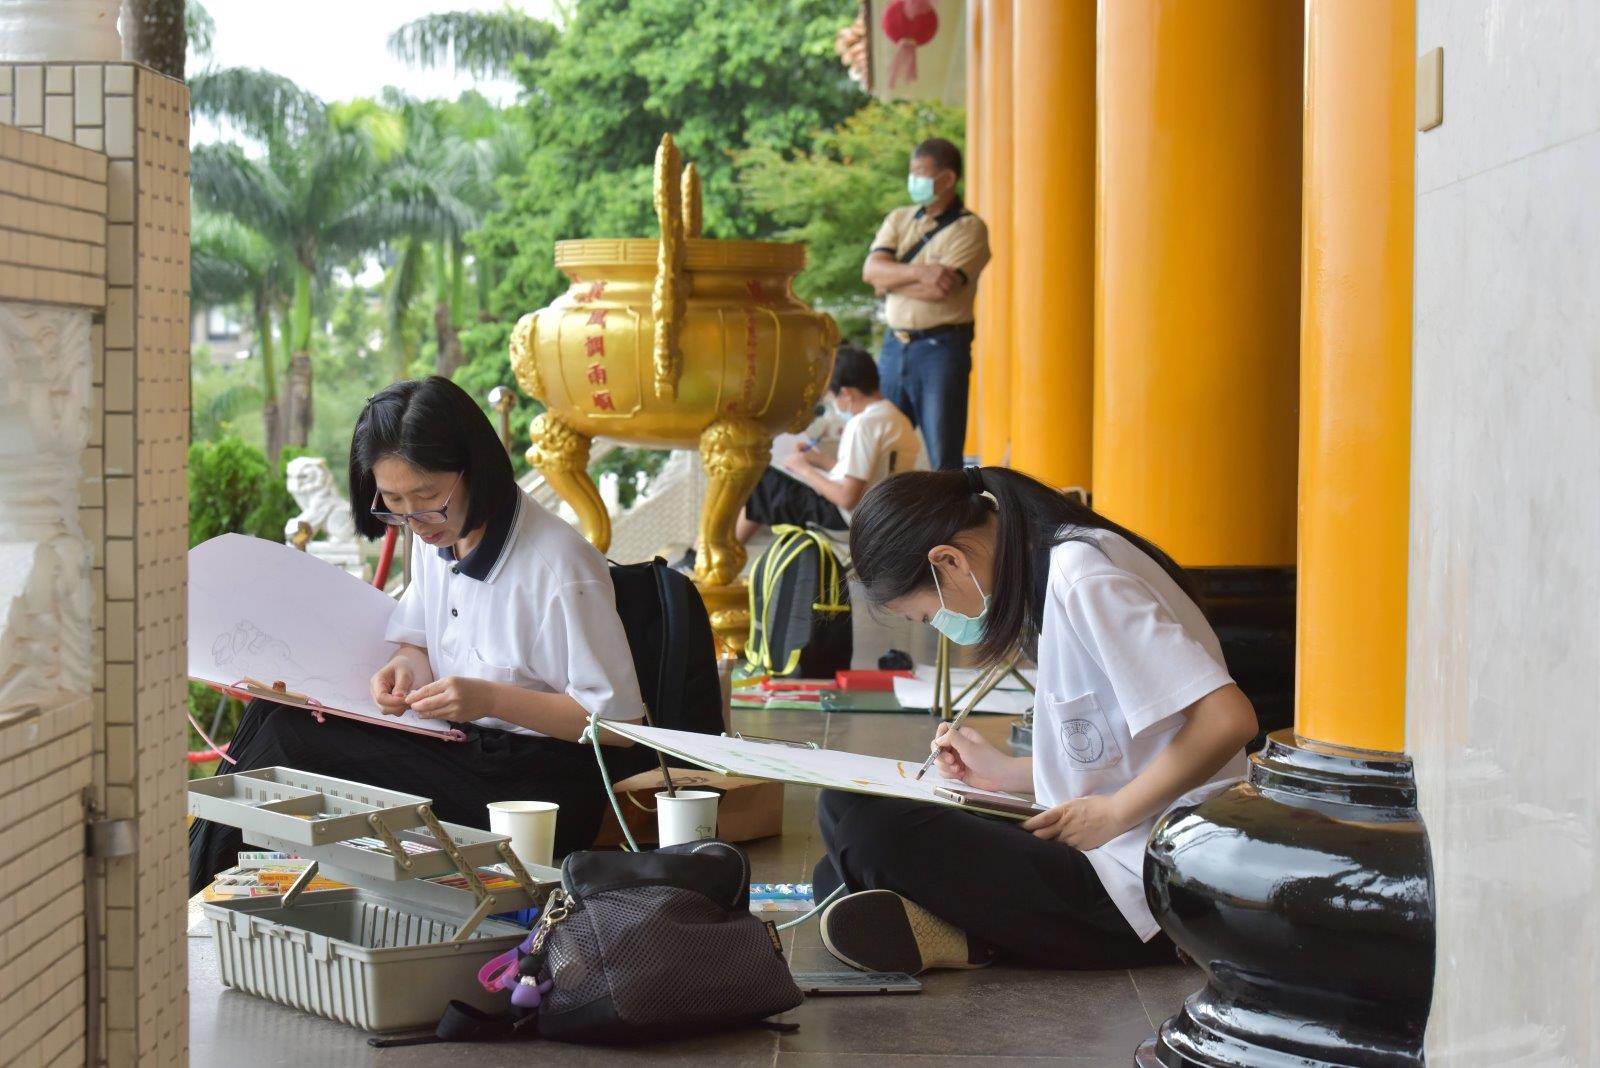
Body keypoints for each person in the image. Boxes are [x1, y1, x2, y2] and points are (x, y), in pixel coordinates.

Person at [189, 376, 651, 894]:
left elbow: (619, 726)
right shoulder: (440, 536)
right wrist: (406, 667)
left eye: (428, 497)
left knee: (287, 742)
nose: (414, 521)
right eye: (393, 502)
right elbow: (418, 640)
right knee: (273, 712)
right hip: (461, 746)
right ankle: (198, 887)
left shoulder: (558, 567)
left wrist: (490, 699)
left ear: (475, 470)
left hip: (538, 785)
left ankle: (187, 895)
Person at [811, 466, 1258, 973]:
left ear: (949, 560)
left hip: (1143, 876)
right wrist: (1003, 774)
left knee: (871, 838)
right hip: (1093, 837)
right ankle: (955, 929)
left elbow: (1228, 719)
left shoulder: (1084, 578)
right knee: (842, 805)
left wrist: (1115, 813)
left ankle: (964, 932)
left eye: (927, 615)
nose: (941, 626)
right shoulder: (1050, 571)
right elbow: (1118, 748)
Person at [863, 138, 990, 471]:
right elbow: (871, 271)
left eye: (920, 172)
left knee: (943, 452)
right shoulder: (899, 218)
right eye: (912, 172)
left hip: (941, 349)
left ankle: (950, 507)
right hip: (894, 346)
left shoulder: (970, 228)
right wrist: (923, 272)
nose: (913, 180)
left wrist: (891, 280)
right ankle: (890, 507)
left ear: (947, 179)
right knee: (882, 446)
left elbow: (943, 289)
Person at [737, 343, 923, 543]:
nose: (835, 404)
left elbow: (847, 498)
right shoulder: (896, 417)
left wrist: (803, 469)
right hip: (883, 515)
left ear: (846, 393)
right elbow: (867, 476)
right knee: (768, 488)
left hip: (850, 519)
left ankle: (727, 550)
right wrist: (816, 460)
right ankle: (727, 547)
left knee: (764, 483)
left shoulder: (863, 425)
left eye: (833, 397)